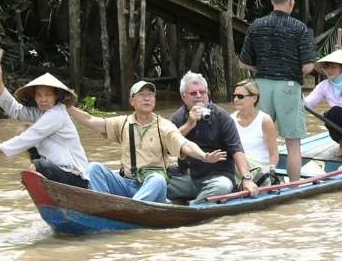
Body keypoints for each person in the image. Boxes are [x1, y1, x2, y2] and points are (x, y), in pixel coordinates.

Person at [68, 80, 224, 203]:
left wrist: (204, 156)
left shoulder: (163, 126)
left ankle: (130, 209)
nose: (147, 98)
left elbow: (185, 144)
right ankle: (102, 206)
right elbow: (90, 120)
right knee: (94, 167)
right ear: (132, 101)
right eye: (142, 95)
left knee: (158, 179)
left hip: (151, 187)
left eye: (150, 95)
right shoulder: (122, 123)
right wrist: (68, 107)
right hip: (127, 183)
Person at [239, 0, 316, 181]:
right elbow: (308, 66)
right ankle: (294, 188)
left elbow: (243, 62)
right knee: (293, 144)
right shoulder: (299, 28)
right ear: (292, 1)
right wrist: (290, 72)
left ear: (272, 0)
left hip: (260, 86)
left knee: (261, 137)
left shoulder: (256, 25)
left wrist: (261, 70)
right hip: (289, 87)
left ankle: (257, 180)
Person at [0, 64, 89, 188]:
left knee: (36, 163)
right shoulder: (41, 112)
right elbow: (15, 110)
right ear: (35, 97)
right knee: (23, 129)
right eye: (39, 95)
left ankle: (36, 174)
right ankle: (36, 176)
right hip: (57, 168)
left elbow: (29, 137)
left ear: (56, 96)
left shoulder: (57, 113)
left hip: (74, 175)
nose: (43, 99)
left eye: (48, 95)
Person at [170, 72, 259, 204]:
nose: (199, 96)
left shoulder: (221, 116)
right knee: (160, 184)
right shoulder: (178, 117)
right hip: (188, 178)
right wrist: (189, 124)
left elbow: (236, 149)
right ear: (184, 97)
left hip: (217, 177)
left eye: (202, 92)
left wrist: (247, 178)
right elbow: (167, 146)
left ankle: (192, 208)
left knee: (222, 187)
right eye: (193, 93)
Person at [231, 79, 279, 185]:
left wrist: (271, 172)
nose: (235, 99)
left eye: (240, 96)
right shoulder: (231, 119)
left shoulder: (265, 120)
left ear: (254, 98)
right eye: (234, 96)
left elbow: (274, 154)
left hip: (259, 168)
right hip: (239, 165)